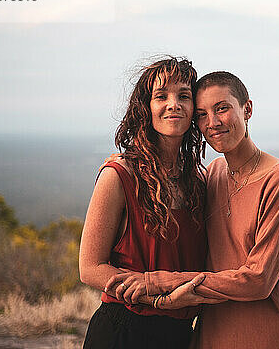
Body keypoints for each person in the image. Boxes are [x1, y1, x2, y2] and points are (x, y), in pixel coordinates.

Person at [106, 71, 279, 348]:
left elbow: (259, 281)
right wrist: (127, 163)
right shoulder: (210, 175)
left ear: (247, 109)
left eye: (222, 108)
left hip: (269, 327)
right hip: (212, 330)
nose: (212, 123)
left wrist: (160, 281)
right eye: (201, 114)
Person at [79, 57, 222, 349]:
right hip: (124, 332)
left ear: (195, 109)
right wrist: (159, 297)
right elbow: (90, 268)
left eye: (184, 95)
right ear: (146, 107)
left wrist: (277, 262)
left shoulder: (197, 181)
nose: (173, 104)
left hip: (181, 335)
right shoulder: (119, 175)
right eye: (161, 96)